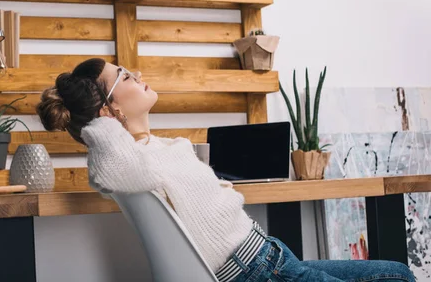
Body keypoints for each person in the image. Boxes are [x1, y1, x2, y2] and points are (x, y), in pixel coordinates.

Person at [36, 58, 416, 282]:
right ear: (109, 109)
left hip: (269, 256)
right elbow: (109, 166)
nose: (136, 74)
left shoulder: (161, 147)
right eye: (125, 77)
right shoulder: (130, 161)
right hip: (256, 272)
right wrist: (98, 119)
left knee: (396, 272)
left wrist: (110, 109)